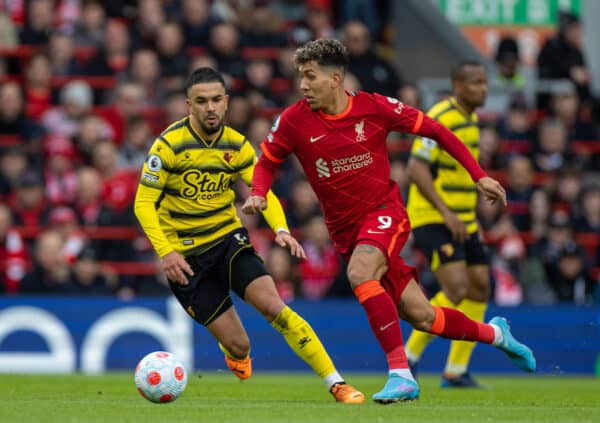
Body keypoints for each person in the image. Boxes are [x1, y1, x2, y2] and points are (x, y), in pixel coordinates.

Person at [243, 39, 536, 403]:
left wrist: (478, 175)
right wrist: (258, 191)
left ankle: (401, 374)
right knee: (423, 316)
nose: (302, 84)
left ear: (335, 78)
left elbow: (436, 130)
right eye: (300, 76)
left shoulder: (374, 107)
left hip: (386, 214)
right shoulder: (293, 120)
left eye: (310, 76)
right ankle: (495, 334)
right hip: (347, 232)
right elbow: (267, 162)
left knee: (360, 275)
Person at [133, 67, 364, 404]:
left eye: (215, 100)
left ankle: (337, 383)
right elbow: (143, 203)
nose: (210, 108)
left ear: (226, 102)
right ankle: (235, 352)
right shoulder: (168, 145)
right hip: (185, 260)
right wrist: (166, 252)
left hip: (228, 241)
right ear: (189, 105)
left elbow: (262, 190)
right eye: (201, 101)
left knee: (274, 306)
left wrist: (281, 229)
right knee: (240, 345)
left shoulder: (236, 145)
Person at [403, 61, 492, 388]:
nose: (483, 89)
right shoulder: (440, 116)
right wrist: (447, 213)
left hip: (464, 220)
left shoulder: (470, 119)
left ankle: (456, 370)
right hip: (432, 217)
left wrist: (470, 218)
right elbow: (416, 169)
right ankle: (409, 357)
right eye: (475, 83)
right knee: (456, 288)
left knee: (480, 284)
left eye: (484, 83)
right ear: (457, 85)